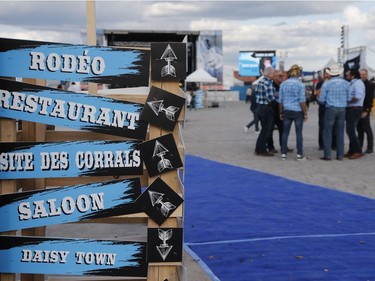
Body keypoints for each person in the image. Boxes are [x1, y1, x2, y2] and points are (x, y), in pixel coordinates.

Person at [318, 64, 350, 161]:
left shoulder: (327, 84)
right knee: (340, 131)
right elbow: (349, 98)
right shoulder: (346, 83)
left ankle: (327, 155)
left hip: (331, 108)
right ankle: (340, 155)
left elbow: (322, 100)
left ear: (330, 74)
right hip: (342, 109)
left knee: (327, 131)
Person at [278, 64, 308, 160]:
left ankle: (283, 154)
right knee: (299, 133)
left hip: (287, 111)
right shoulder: (301, 85)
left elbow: (280, 101)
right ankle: (299, 154)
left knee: (285, 133)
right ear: (298, 73)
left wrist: (280, 112)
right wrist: (305, 113)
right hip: (298, 112)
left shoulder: (283, 84)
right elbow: (302, 101)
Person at [254, 66, 276, 156]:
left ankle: (258, 148)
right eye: (273, 73)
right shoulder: (268, 83)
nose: (274, 75)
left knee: (264, 129)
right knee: (266, 130)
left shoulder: (260, 82)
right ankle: (262, 150)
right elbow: (270, 98)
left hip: (259, 107)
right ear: (269, 74)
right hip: (266, 108)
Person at [345, 68, 366, 159]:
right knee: (350, 130)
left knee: (351, 130)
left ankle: (358, 150)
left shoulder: (358, 83)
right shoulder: (353, 83)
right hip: (351, 109)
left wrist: (347, 99)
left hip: (355, 109)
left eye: (348, 73)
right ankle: (352, 150)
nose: (347, 75)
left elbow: (357, 96)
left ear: (352, 74)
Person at [357, 68, 374, 154]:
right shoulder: (358, 84)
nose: (362, 75)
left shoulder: (369, 85)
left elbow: (370, 99)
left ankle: (370, 148)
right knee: (359, 130)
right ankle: (359, 146)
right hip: (358, 110)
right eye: (361, 74)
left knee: (367, 129)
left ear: (367, 75)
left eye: (364, 74)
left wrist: (367, 111)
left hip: (365, 110)